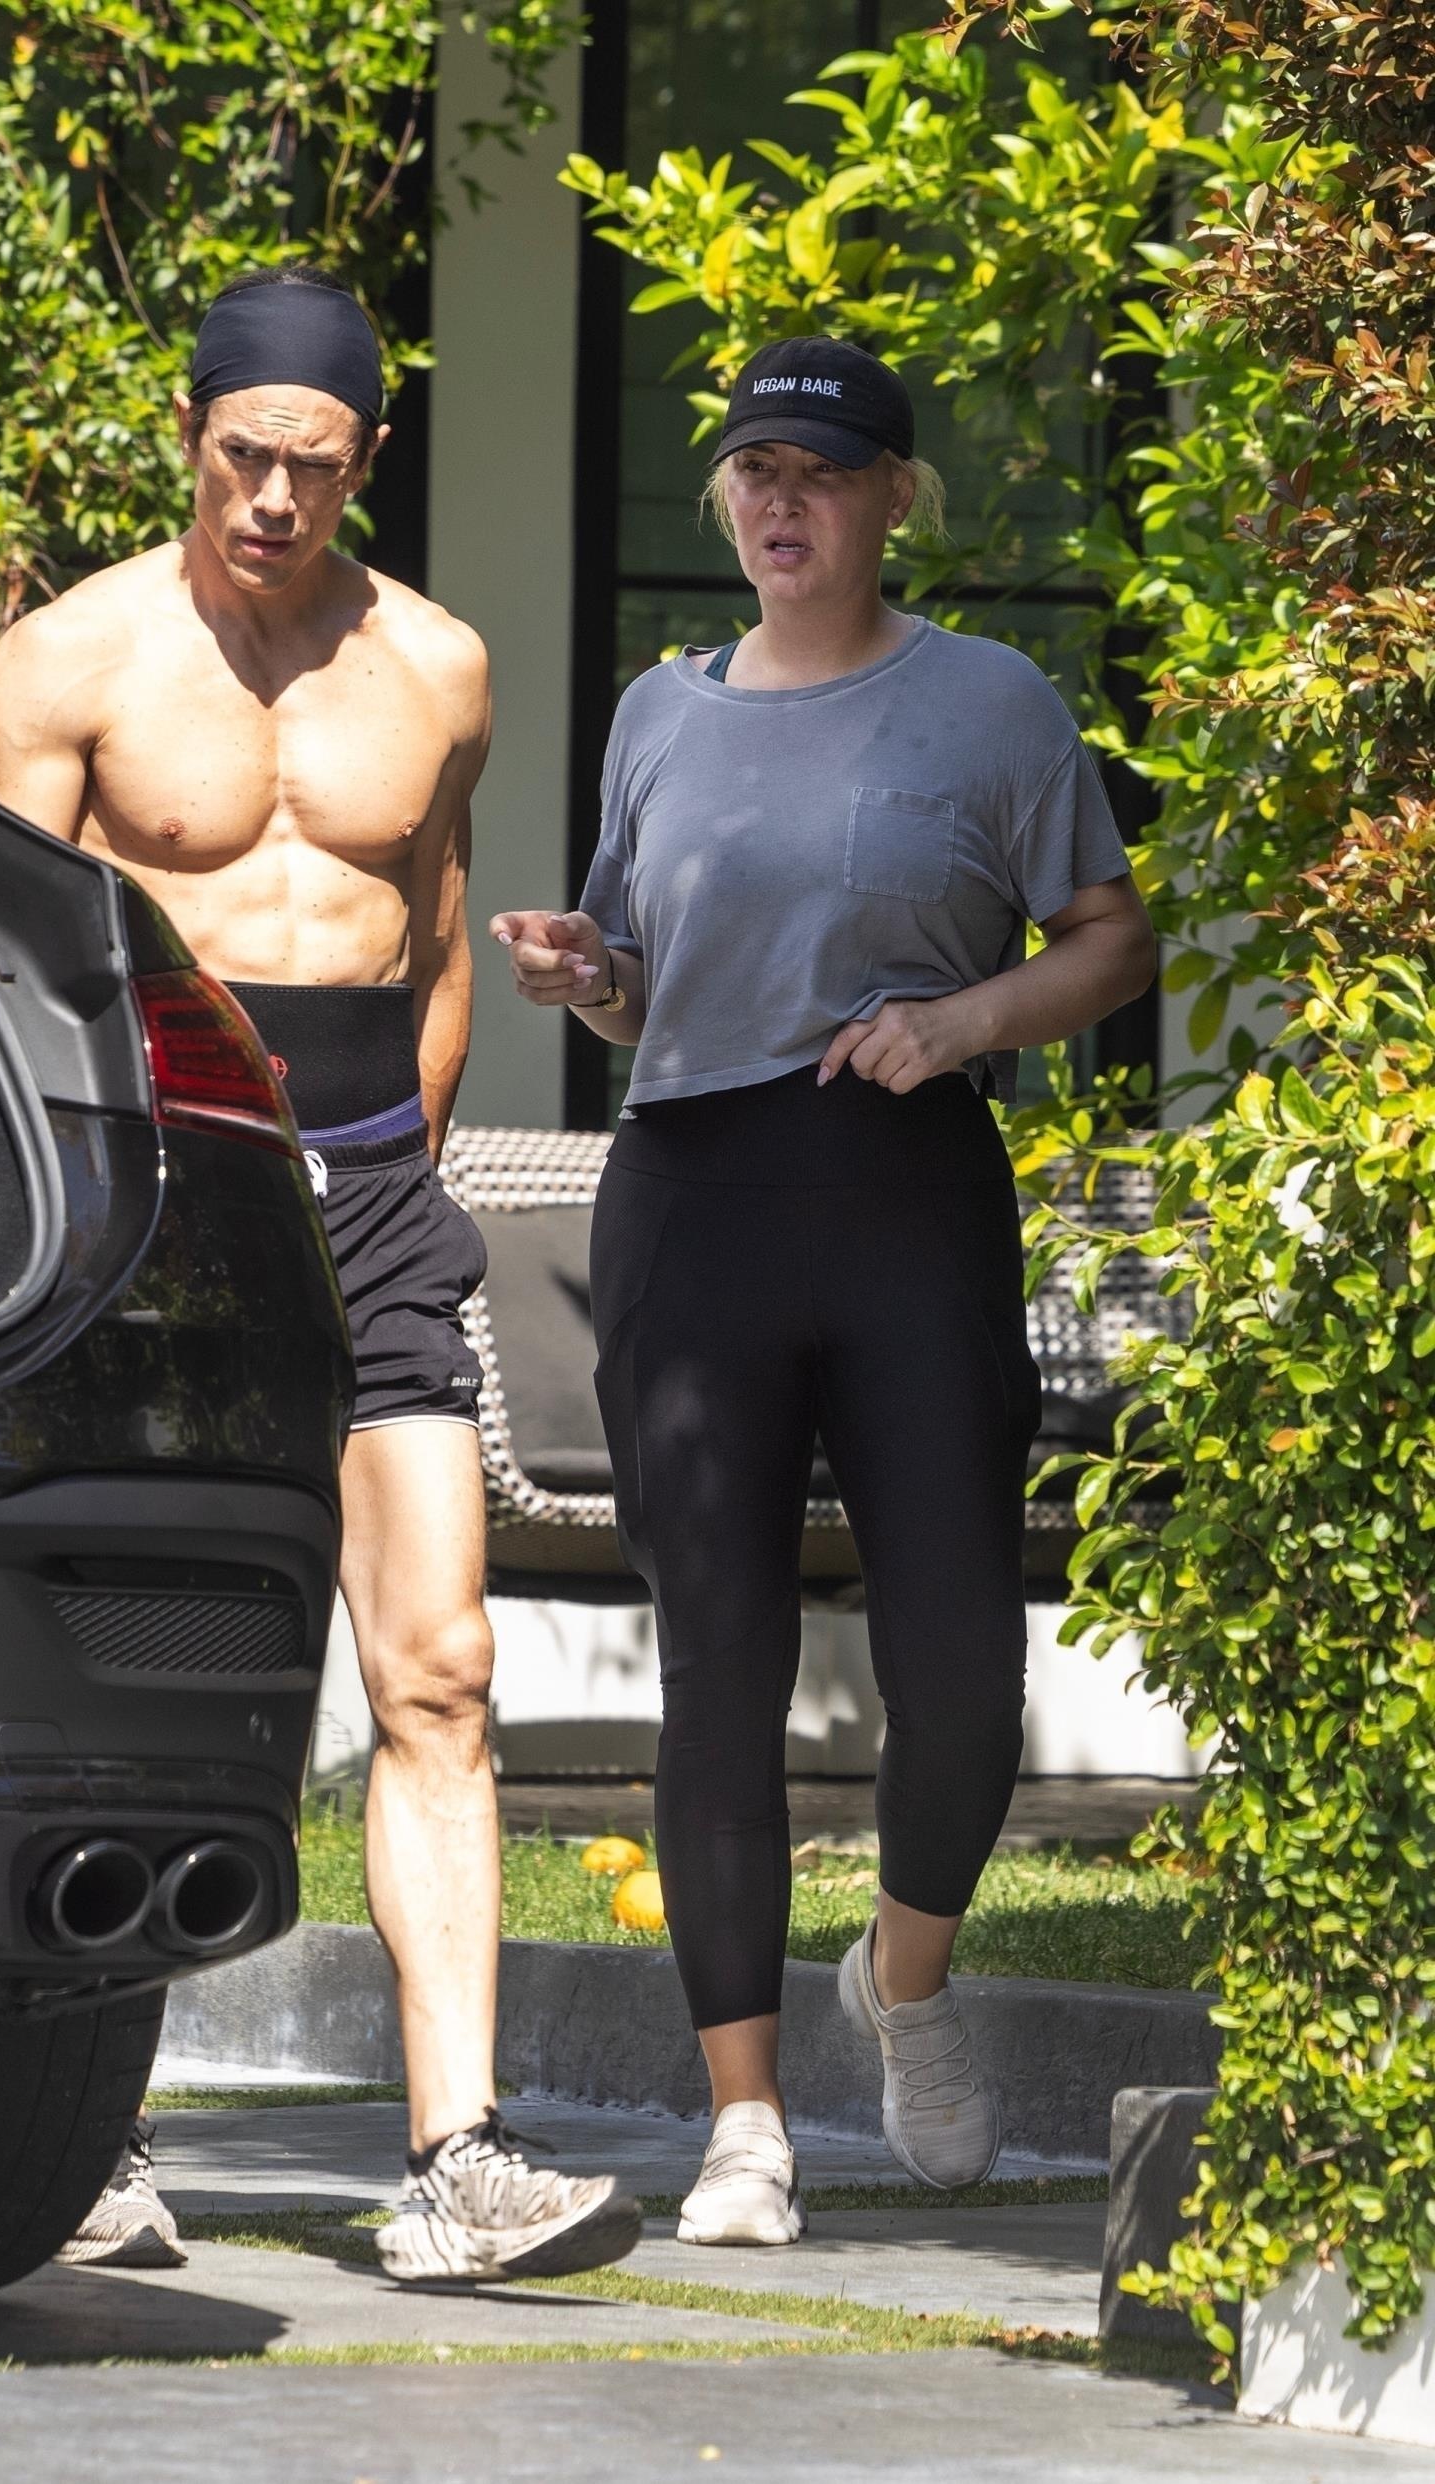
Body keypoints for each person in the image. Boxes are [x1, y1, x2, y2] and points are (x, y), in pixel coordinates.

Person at [0, 266, 639, 2286]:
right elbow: (9, 970)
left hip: (364, 1199)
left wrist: (396, 1175)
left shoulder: (436, 667)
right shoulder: (67, 664)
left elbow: (433, 940)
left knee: (440, 1666)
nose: (274, 498)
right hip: (153, 1211)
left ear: (368, 463)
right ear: (193, 436)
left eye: (317, 468)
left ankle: (459, 2161)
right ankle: (91, 2143)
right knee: (128, 1657)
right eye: (245, 456)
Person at [493, 336, 1157, 2246]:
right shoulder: (660, 714)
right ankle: (746, 2124)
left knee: (962, 1667)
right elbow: (645, 983)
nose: (780, 504)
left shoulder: (991, 705)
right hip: (693, 1200)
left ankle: (909, 1983)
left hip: (906, 1194)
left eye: (821, 473)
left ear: (890, 500)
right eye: (753, 474)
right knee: (724, 1667)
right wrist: (581, 975)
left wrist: (960, 1022)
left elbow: (1110, 939)